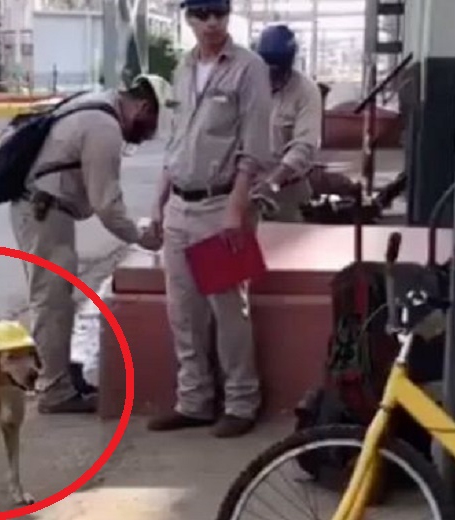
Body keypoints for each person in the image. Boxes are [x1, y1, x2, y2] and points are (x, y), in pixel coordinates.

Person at [146, 0, 273, 438]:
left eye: (219, 13)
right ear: (188, 18)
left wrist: (237, 207)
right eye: (202, 15)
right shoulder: (182, 70)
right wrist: (158, 203)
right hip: (180, 206)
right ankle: (194, 401)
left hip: (222, 207)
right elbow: (175, 144)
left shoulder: (249, 68)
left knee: (228, 311)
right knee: (184, 311)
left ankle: (241, 401)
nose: (212, 23)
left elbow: (255, 146)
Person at [8, 74, 171, 414]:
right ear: (143, 107)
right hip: (44, 213)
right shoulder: (104, 128)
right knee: (51, 301)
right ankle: (54, 391)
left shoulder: (95, 103)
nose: (146, 134)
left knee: (58, 299)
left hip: (45, 210)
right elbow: (107, 206)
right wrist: (144, 238)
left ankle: (60, 374)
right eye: (150, 124)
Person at [253, 23, 324, 222]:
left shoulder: (306, 91)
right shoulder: (248, 86)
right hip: (247, 186)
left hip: (288, 189)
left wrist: (272, 181)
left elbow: (304, 145)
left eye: (278, 72)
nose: (272, 76)